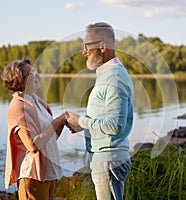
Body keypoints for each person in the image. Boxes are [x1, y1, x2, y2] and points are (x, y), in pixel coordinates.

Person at [66, 22, 134, 200]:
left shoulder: (114, 77)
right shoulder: (108, 74)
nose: (84, 51)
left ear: (103, 46)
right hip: (106, 158)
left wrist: (80, 121)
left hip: (109, 160)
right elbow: (107, 118)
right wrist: (84, 126)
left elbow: (115, 125)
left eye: (87, 45)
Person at [1, 58, 67, 200]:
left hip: (49, 172)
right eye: (31, 74)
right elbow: (33, 145)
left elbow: (51, 137)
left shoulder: (37, 102)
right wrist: (57, 122)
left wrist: (63, 121)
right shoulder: (18, 107)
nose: (37, 75)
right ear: (19, 80)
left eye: (35, 71)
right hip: (33, 174)